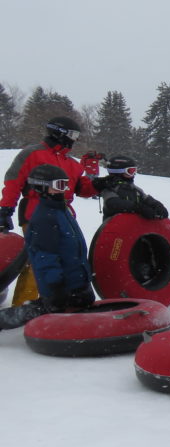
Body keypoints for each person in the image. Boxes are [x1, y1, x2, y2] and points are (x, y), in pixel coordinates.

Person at [0, 116, 97, 305]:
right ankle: (25, 304)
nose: (74, 139)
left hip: (63, 214)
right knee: (37, 260)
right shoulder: (33, 154)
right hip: (35, 212)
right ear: (59, 132)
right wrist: (5, 208)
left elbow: (81, 188)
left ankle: (63, 300)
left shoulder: (72, 163)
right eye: (72, 134)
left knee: (69, 257)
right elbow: (14, 181)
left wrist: (100, 185)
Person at [0, 164, 95, 330]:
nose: (64, 189)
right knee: (46, 308)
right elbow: (45, 256)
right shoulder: (44, 218)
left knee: (84, 304)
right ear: (42, 187)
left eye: (66, 184)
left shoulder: (62, 210)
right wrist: (55, 287)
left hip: (77, 282)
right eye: (59, 185)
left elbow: (74, 247)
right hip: (61, 286)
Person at [92, 155, 168, 221]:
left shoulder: (134, 188)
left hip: (133, 227)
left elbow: (146, 199)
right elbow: (113, 203)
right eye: (131, 171)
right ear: (118, 172)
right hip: (114, 227)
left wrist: (158, 206)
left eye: (135, 170)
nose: (134, 174)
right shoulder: (109, 187)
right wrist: (139, 208)